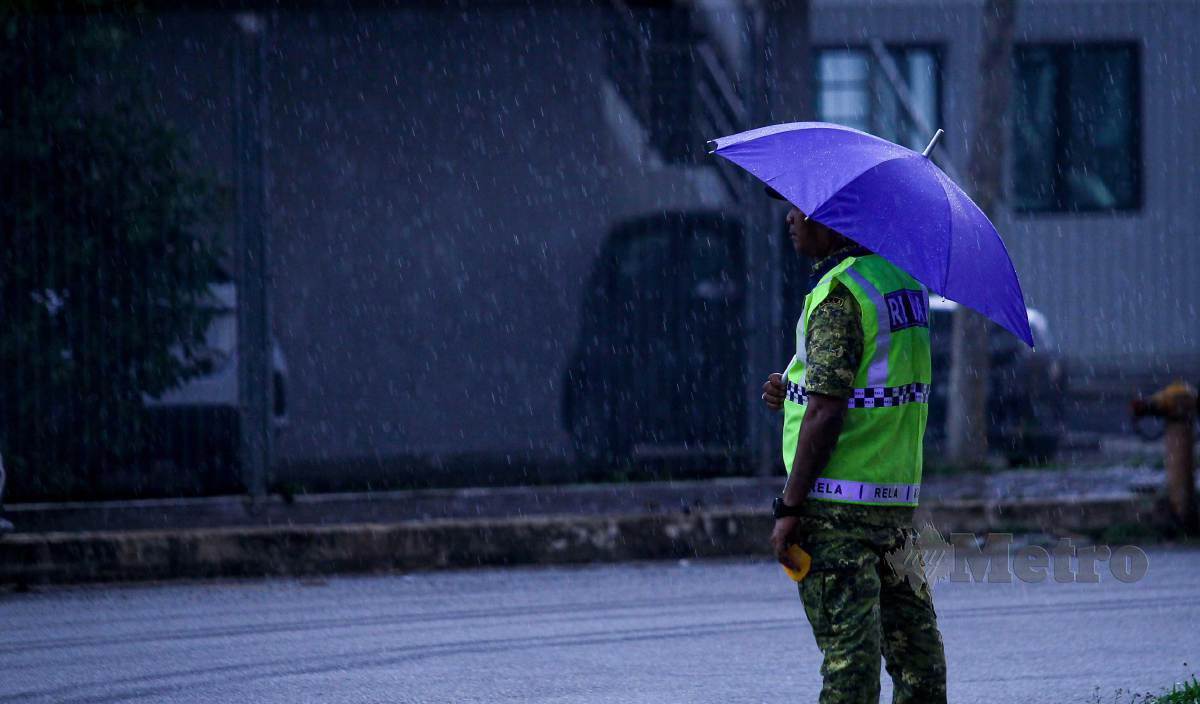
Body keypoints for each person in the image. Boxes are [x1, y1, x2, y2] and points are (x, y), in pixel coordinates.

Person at [761, 189, 947, 704]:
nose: (790, 218)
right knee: (919, 663)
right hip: (892, 506)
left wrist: (789, 507)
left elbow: (826, 411)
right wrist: (792, 383)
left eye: (802, 208)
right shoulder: (901, 285)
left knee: (849, 666)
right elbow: (866, 382)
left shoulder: (839, 296)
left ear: (836, 222)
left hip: (834, 511)